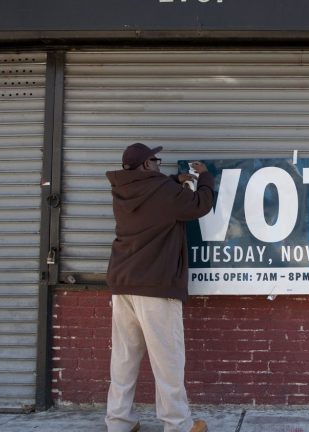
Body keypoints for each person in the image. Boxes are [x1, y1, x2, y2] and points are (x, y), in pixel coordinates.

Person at [104, 143, 213, 432]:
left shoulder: (122, 191)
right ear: (146, 165)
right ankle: (177, 425)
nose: (159, 163)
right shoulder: (164, 192)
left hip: (122, 283)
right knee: (168, 360)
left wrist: (173, 181)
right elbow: (199, 205)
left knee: (124, 358)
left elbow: (152, 194)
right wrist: (206, 179)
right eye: (156, 160)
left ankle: (118, 422)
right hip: (156, 286)